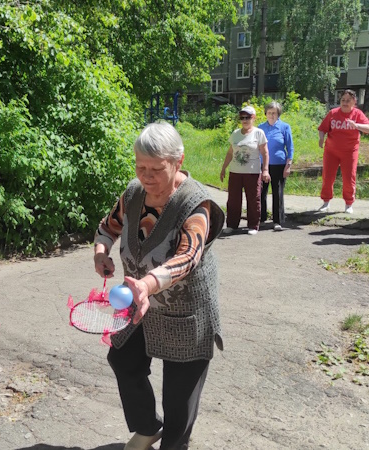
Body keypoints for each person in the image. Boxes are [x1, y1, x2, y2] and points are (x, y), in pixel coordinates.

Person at [93, 122, 225, 450]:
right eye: (141, 167)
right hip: (140, 305)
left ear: (178, 162)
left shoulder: (196, 203)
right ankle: (148, 428)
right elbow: (108, 227)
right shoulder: (133, 193)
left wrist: (148, 284)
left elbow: (188, 256)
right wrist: (101, 252)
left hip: (185, 311)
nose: (147, 176)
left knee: (179, 399)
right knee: (123, 361)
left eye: (156, 169)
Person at [317, 89, 369, 214]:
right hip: (331, 151)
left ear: (354, 102)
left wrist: (357, 125)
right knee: (327, 177)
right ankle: (326, 202)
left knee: (349, 178)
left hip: (349, 152)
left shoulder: (357, 114)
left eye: (348, 100)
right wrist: (321, 138)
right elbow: (322, 128)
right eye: (343, 100)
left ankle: (348, 204)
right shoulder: (333, 113)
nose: (345, 103)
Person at [220, 105, 269, 235]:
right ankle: (232, 224)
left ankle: (253, 225)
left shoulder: (259, 133)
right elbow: (230, 153)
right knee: (233, 199)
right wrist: (223, 168)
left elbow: (265, 153)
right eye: (242, 117)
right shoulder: (236, 133)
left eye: (248, 117)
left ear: (254, 118)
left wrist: (265, 170)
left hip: (252, 173)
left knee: (253, 199)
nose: (245, 120)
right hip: (235, 172)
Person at [258, 101, 294, 231]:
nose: (271, 115)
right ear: (265, 114)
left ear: (278, 114)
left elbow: (290, 147)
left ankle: (277, 221)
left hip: (279, 164)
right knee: (261, 192)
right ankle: (261, 218)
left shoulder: (284, 127)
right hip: (263, 165)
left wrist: (288, 165)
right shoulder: (260, 128)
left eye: (274, 113)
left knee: (277, 193)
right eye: (269, 112)